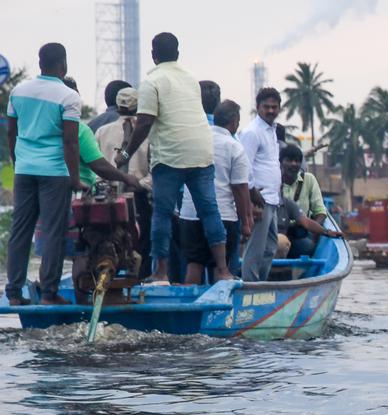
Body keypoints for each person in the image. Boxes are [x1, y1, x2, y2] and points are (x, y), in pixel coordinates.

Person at [118, 32, 222, 285]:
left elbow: (143, 123)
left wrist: (125, 154)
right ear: (178, 54)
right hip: (202, 152)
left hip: (171, 156)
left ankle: (161, 272)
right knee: (209, 210)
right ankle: (224, 270)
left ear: (153, 55)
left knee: (162, 213)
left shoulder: (151, 81)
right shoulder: (190, 79)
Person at [5, 43, 84, 306]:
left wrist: (19, 162)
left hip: (25, 170)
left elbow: (11, 133)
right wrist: (75, 179)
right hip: (54, 172)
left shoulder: (19, 91)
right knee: (53, 232)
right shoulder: (68, 96)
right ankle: (49, 293)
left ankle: (14, 293)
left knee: (20, 231)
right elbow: (71, 142)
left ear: (40, 64)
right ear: (64, 64)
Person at [178, 100, 251, 284]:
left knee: (194, 263)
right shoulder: (234, 146)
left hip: (189, 214)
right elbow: (240, 189)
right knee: (221, 267)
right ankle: (220, 310)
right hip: (223, 216)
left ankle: (190, 310)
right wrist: (246, 223)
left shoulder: (195, 141)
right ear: (234, 121)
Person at [95, 86, 154, 277]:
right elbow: (156, 170)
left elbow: (94, 167)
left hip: (106, 197)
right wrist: (141, 183)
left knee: (105, 240)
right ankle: (140, 278)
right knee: (141, 241)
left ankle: (106, 276)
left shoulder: (102, 132)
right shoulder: (149, 132)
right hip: (137, 196)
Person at [61, 78, 142, 192]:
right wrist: (126, 178)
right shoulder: (144, 130)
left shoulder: (94, 126)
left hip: (101, 192)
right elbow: (99, 166)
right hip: (81, 191)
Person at [240, 87, 283, 282]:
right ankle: (250, 287)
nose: (271, 111)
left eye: (274, 107)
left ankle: (261, 283)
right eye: (266, 107)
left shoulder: (271, 130)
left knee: (271, 247)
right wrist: (251, 199)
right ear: (258, 107)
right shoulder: (252, 132)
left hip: (272, 200)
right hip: (259, 199)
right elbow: (244, 166)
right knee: (255, 250)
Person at [276, 144, 339, 258]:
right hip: (276, 233)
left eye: (297, 161)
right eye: (289, 160)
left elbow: (310, 218)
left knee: (308, 248)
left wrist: (322, 232)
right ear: (280, 163)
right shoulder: (273, 183)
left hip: (301, 234)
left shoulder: (308, 180)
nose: (294, 164)